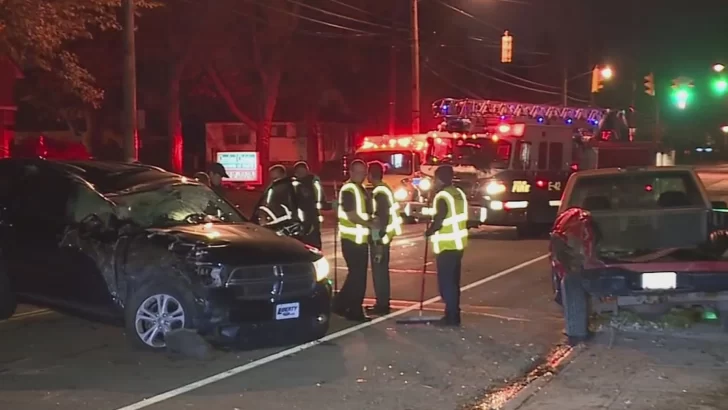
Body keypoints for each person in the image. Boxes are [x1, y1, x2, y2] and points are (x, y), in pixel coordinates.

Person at [425, 165, 469, 327]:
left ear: (439, 179)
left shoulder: (442, 196)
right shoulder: (458, 193)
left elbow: (439, 220)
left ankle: (451, 316)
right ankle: (454, 313)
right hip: (458, 244)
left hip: (446, 245)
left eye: (435, 179)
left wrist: (429, 231)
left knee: (446, 284)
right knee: (454, 282)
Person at [333, 159, 377, 322]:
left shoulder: (360, 189)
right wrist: (370, 224)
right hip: (352, 240)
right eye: (358, 172)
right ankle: (354, 310)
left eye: (363, 172)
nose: (362, 175)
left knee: (355, 275)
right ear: (351, 172)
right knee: (358, 277)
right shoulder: (349, 190)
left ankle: (340, 304)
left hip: (359, 239)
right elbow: (352, 215)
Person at [365, 161, 403, 316]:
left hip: (380, 237)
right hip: (385, 235)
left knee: (379, 272)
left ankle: (382, 304)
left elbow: (381, 218)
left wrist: (378, 240)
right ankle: (382, 302)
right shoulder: (384, 189)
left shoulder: (379, 192)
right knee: (381, 271)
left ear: (370, 175)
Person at [292, 161, 329, 249]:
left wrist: (330, 205)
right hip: (301, 222)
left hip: (312, 220)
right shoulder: (294, 185)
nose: (301, 173)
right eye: (299, 172)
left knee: (312, 245)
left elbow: (321, 200)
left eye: (303, 171)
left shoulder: (313, 182)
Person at [255, 164, 300, 229]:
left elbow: (270, 204)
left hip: (280, 222)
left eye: (275, 177)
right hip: (281, 221)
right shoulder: (286, 186)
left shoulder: (280, 187)